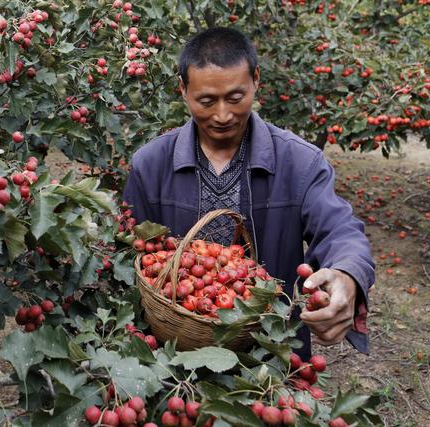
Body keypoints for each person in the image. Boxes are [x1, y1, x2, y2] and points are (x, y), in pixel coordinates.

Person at [123, 27, 375, 358]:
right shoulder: (151, 165)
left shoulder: (299, 163)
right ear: (183, 90)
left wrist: (347, 273)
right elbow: (131, 253)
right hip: (173, 352)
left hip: (270, 354)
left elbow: (340, 228)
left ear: (256, 80)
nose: (223, 115)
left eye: (235, 97)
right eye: (206, 101)